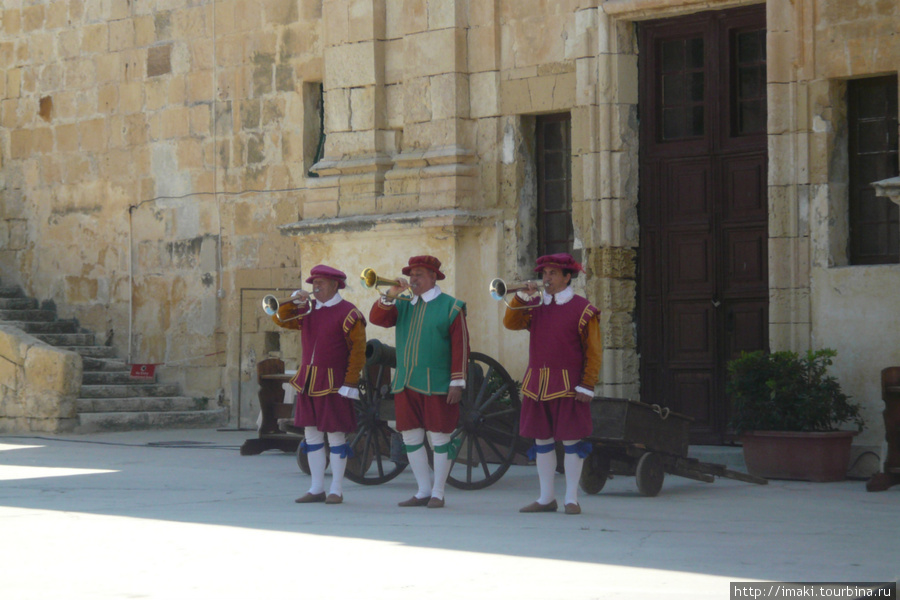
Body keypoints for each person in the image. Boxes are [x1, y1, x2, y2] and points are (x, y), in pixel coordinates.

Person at [502, 253, 602, 515]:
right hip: (537, 384)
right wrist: (522, 296)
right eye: (545, 273)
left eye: (553, 273)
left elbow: (594, 351)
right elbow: (510, 323)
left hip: (569, 385)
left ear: (568, 277)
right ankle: (546, 497)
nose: (546, 278)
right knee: (542, 440)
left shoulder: (583, 308)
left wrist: (587, 384)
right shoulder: (535, 305)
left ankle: (571, 498)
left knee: (572, 442)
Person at [368, 255, 470, 509]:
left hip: (437, 382)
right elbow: (377, 319)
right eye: (411, 274)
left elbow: (462, 348)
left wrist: (457, 382)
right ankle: (423, 490)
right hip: (406, 381)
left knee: (439, 437)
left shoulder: (452, 306)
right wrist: (390, 294)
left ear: (434, 277)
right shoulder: (402, 303)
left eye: (419, 274)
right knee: (411, 437)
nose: (413, 279)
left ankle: (438, 492)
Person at [271, 265, 366, 505]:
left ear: (335, 285)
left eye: (321, 283)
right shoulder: (307, 310)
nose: (315, 287)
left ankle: (336, 489)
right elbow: (279, 319)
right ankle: (316, 488)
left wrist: (351, 381)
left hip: (334, 383)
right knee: (311, 435)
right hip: (308, 382)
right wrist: (292, 302)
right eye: (314, 283)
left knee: (336, 437)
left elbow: (358, 352)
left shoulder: (350, 313)